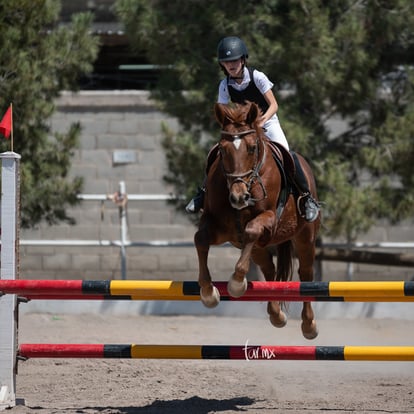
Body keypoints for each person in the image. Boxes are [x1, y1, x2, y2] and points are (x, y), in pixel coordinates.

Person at [186, 36, 320, 222]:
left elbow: (274, 104)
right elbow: (223, 113)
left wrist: (261, 121)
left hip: (268, 121)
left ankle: (307, 199)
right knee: (216, 155)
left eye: (234, 60)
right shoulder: (224, 85)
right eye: (226, 62)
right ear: (222, 65)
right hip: (242, 129)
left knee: (287, 154)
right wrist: (233, 129)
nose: (231, 65)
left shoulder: (257, 76)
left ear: (243, 59)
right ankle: (202, 193)